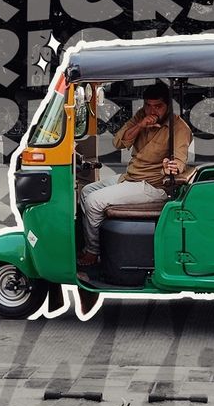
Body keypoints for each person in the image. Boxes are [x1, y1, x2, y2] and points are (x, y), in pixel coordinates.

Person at [78, 81, 192, 267]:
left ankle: (93, 252)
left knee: (94, 201)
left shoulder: (179, 128)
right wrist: (140, 125)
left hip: (153, 186)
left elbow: (179, 161)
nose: (152, 111)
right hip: (130, 178)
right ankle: (104, 241)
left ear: (168, 106)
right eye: (148, 105)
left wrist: (172, 167)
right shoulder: (141, 116)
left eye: (158, 106)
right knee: (86, 192)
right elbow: (118, 143)